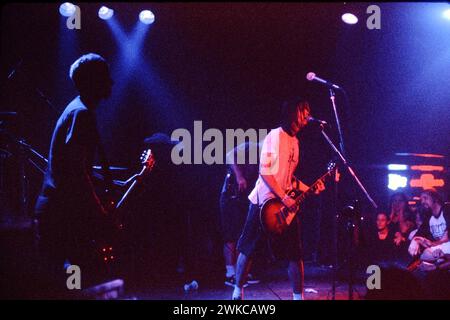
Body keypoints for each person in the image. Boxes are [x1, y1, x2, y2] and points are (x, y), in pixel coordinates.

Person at [34, 53, 114, 295]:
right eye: (105, 77)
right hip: (62, 213)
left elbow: (74, 166)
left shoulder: (78, 109)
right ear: (93, 81)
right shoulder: (82, 114)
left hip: (56, 210)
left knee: (64, 284)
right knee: (73, 282)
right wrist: (99, 210)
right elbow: (76, 173)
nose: (111, 82)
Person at [231, 97, 325, 300]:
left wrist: (310, 188)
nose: (307, 115)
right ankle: (237, 292)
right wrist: (283, 197)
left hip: (285, 206)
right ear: (293, 112)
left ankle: (298, 297)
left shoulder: (296, 143)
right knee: (248, 248)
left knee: (295, 252)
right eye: (304, 111)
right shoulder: (275, 136)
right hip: (263, 202)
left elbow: (289, 179)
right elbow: (264, 172)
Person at [219, 141, 261, 287]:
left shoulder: (269, 157)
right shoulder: (254, 146)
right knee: (231, 234)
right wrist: (239, 176)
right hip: (230, 196)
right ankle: (230, 273)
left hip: (244, 198)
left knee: (243, 235)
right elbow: (229, 155)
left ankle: (240, 272)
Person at [408, 189, 450, 271]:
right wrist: (416, 240)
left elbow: (446, 238)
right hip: (439, 250)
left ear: (435, 198)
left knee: (428, 254)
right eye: (421, 199)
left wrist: (432, 244)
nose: (423, 202)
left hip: (447, 248)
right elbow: (419, 233)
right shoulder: (429, 217)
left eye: (425, 198)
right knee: (424, 254)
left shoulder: (447, 210)